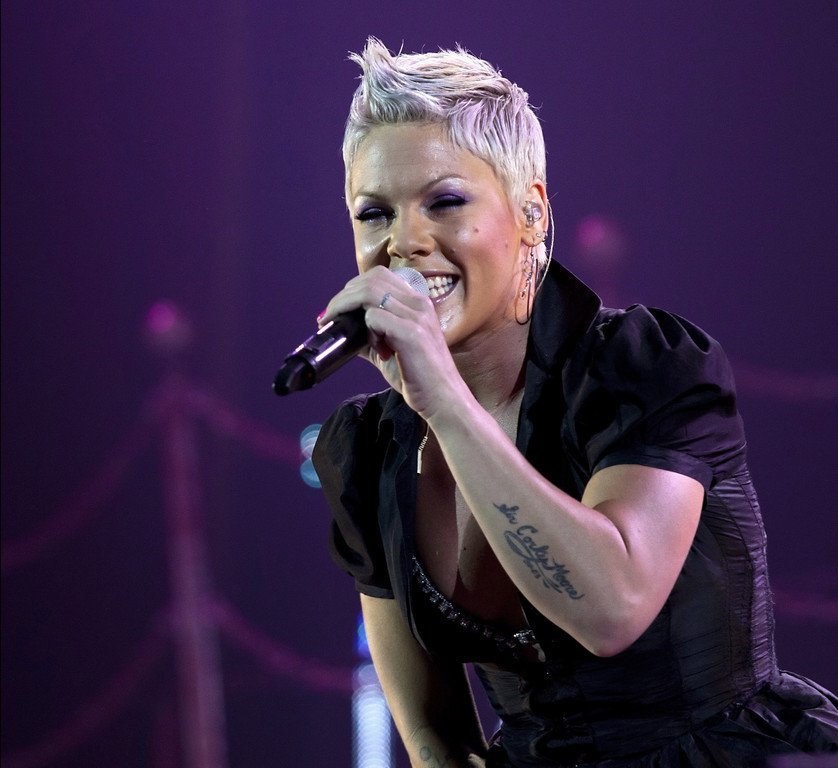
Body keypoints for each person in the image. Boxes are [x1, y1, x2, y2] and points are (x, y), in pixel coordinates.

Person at [311, 38, 838, 767]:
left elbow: (613, 609)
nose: (405, 241)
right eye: (374, 214)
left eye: (445, 202)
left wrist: (446, 403)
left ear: (530, 213)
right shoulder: (369, 451)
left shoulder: (641, 367)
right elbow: (435, 738)